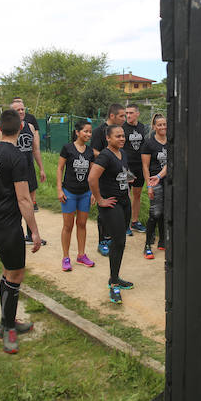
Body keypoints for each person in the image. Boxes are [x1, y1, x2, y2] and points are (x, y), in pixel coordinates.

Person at [0, 108, 42, 353]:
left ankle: (7, 322)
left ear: (0, 128)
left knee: (9, 272)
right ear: (21, 128)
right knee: (16, 275)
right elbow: (24, 199)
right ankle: (7, 329)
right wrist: (35, 232)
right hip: (7, 224)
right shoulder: (17, 156)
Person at [89, 124, 134, 304]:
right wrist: (99, 199)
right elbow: (92, 178)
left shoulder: (123, 154)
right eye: (118, 136)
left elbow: (123, 172)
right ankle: (114, 283)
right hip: (111, 204)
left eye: (123, 136)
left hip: (124, 202)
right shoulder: (105, 156)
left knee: (120, 242)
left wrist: (129, 180)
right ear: (108, 138)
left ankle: (115, 277)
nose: (122, 139)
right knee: (118, 241)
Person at [4, 99, 46, 244]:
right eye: (18, 110)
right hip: (13, 170)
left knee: (30, 202)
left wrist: (41, 168)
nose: (21, 112)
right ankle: (15, 234)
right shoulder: (7, 128)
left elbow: (36, 149)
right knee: (16, 203)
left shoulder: (30, 126)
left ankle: (30, 234)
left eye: (22, 109)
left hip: (28, 168)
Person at [56, 120, 96, 271]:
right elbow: (60, 169)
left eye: (90, 132)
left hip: (85, 193)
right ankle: (66, 257)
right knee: (68, 225)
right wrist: (59, 190)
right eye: (85, 131)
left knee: (82, 224)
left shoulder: (90, 151)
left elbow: (92, 174)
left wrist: (93, 192)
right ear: (77, 132)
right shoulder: (67, 148)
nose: (88, 134)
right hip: (69, 192)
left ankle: (81, 255)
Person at [90, 103, 126, 256]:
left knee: (116, 213)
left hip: (117, 178)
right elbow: (93, 153)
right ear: (112, 116)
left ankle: (112, 238)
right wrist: (109, 158)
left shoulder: (120, 132)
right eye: (121, 116)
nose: (124, 119)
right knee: (103, 212)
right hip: (102, 179)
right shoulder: (99, 131)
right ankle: (102, 241)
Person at [141, 114, 168, 258]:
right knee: (155, 213)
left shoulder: (171, 141)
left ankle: (163, 241)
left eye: (164, 124)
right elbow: (145, 167)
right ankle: (147, 245)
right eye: (159, 125)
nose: (163, 127)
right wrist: (149, 186)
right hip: (154, 181)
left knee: (165, 212)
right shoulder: (149, 144)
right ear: (154, 127)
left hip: (169, 181)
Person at [122, 103, 148, 235]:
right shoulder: (122, 128)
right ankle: (125, 224)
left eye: (131, 113)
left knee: (137, 195)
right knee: (126, 195)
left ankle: (135, 221)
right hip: (127, 167)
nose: (128, 115)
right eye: (126, 113)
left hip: (139, 166)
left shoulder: (142, 127)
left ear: (137, 113)